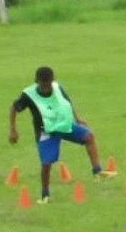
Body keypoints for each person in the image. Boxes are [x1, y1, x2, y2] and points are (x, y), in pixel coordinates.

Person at [9, 66, 112, 204]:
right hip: (46, 131)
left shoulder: (57, 87)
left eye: (48, 84)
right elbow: (13, 108)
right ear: (36, 81)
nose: (46, 88)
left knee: (89, 136)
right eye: (42, 85)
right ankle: (45, 194)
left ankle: (97, 173)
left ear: (52, 80)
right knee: (46, 164)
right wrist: (13, 130)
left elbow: (67, 102)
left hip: (63, 125)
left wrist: (78, 118)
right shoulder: (28, 95)